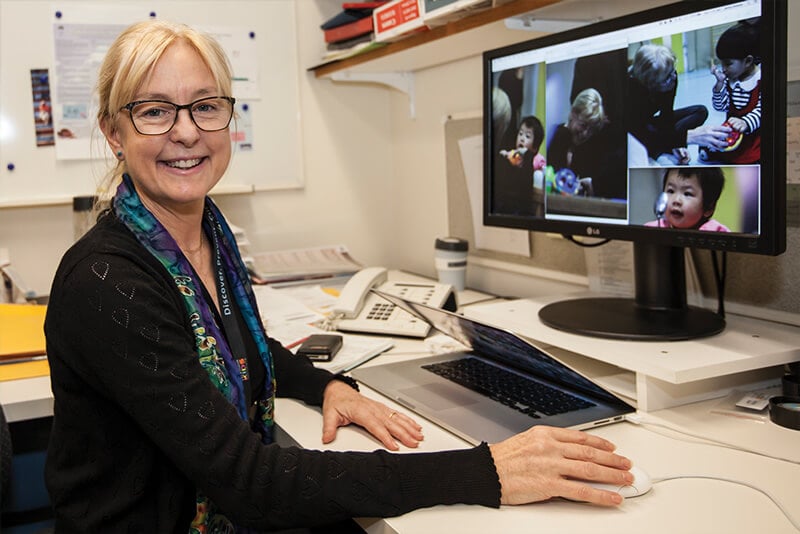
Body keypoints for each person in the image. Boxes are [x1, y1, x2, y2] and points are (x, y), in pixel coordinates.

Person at [43, 20, 634, 533]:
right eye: (153, 111)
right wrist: (486, 470)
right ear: (113, 133)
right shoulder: (106, 282)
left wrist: (325, 386)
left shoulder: (204, 235)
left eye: (205, 105)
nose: (187, 131)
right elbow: (250, 482)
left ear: (228, 117)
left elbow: (236, 348)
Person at [627, 44, 730, 165]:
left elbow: (667, 115)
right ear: (650, 83)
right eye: (667, 79)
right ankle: (657, 150)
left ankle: (663, 146)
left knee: (700, 111)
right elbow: (637, 131)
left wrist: (676, 144)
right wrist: (685, 138)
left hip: (651, 123)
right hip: (635, 129)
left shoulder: (670, 77)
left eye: (672, 72)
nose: (674, 78)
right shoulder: (631, 90)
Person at [547, 88, 626, 200]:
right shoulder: (554, 135)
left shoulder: (594, 148)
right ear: (573, 113)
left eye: (592, 129)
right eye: (583, 125)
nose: (586, 134)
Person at [708, 21, 761, 164]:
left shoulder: (760, 81)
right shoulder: (729, 79)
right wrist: (719, 85)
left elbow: (762, 110)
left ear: (748, 61)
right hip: (731, 134)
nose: (723, 69)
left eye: (728, 63)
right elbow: (720, 107)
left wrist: (745, 122)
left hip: (751, 137)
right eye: (721, 63)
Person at [645, 167, 730, 231]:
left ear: (708, 208)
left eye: (687, 194)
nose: (676, 200)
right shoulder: (651, 230)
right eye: (671, 191)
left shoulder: (717, 232)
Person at [494, 115, 545, 216]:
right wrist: (504, 156)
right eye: (520, 133)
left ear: (535, 148)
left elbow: (526, 181)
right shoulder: (510, 155)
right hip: (504, 204)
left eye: (527, 136)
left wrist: (527, 155)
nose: (522, 138)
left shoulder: (529, 160)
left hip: (521, 208)